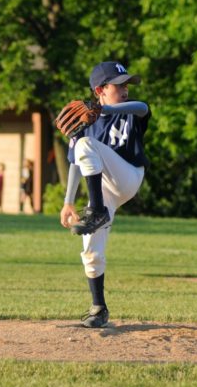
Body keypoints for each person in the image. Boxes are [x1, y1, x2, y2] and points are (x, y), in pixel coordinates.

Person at [59, 61, 151, 327]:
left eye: (126, 85)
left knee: (87, 144)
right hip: (104, 190)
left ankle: (96, 211)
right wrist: (68, 203)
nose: (125, 90)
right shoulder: (83, 125)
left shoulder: (129, 111)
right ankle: (98, 307)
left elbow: (142, 108)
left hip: (128, 176)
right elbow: (76, 161)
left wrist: (105, 109)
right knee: (90, 249)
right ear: (100, 89)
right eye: (119, 85)